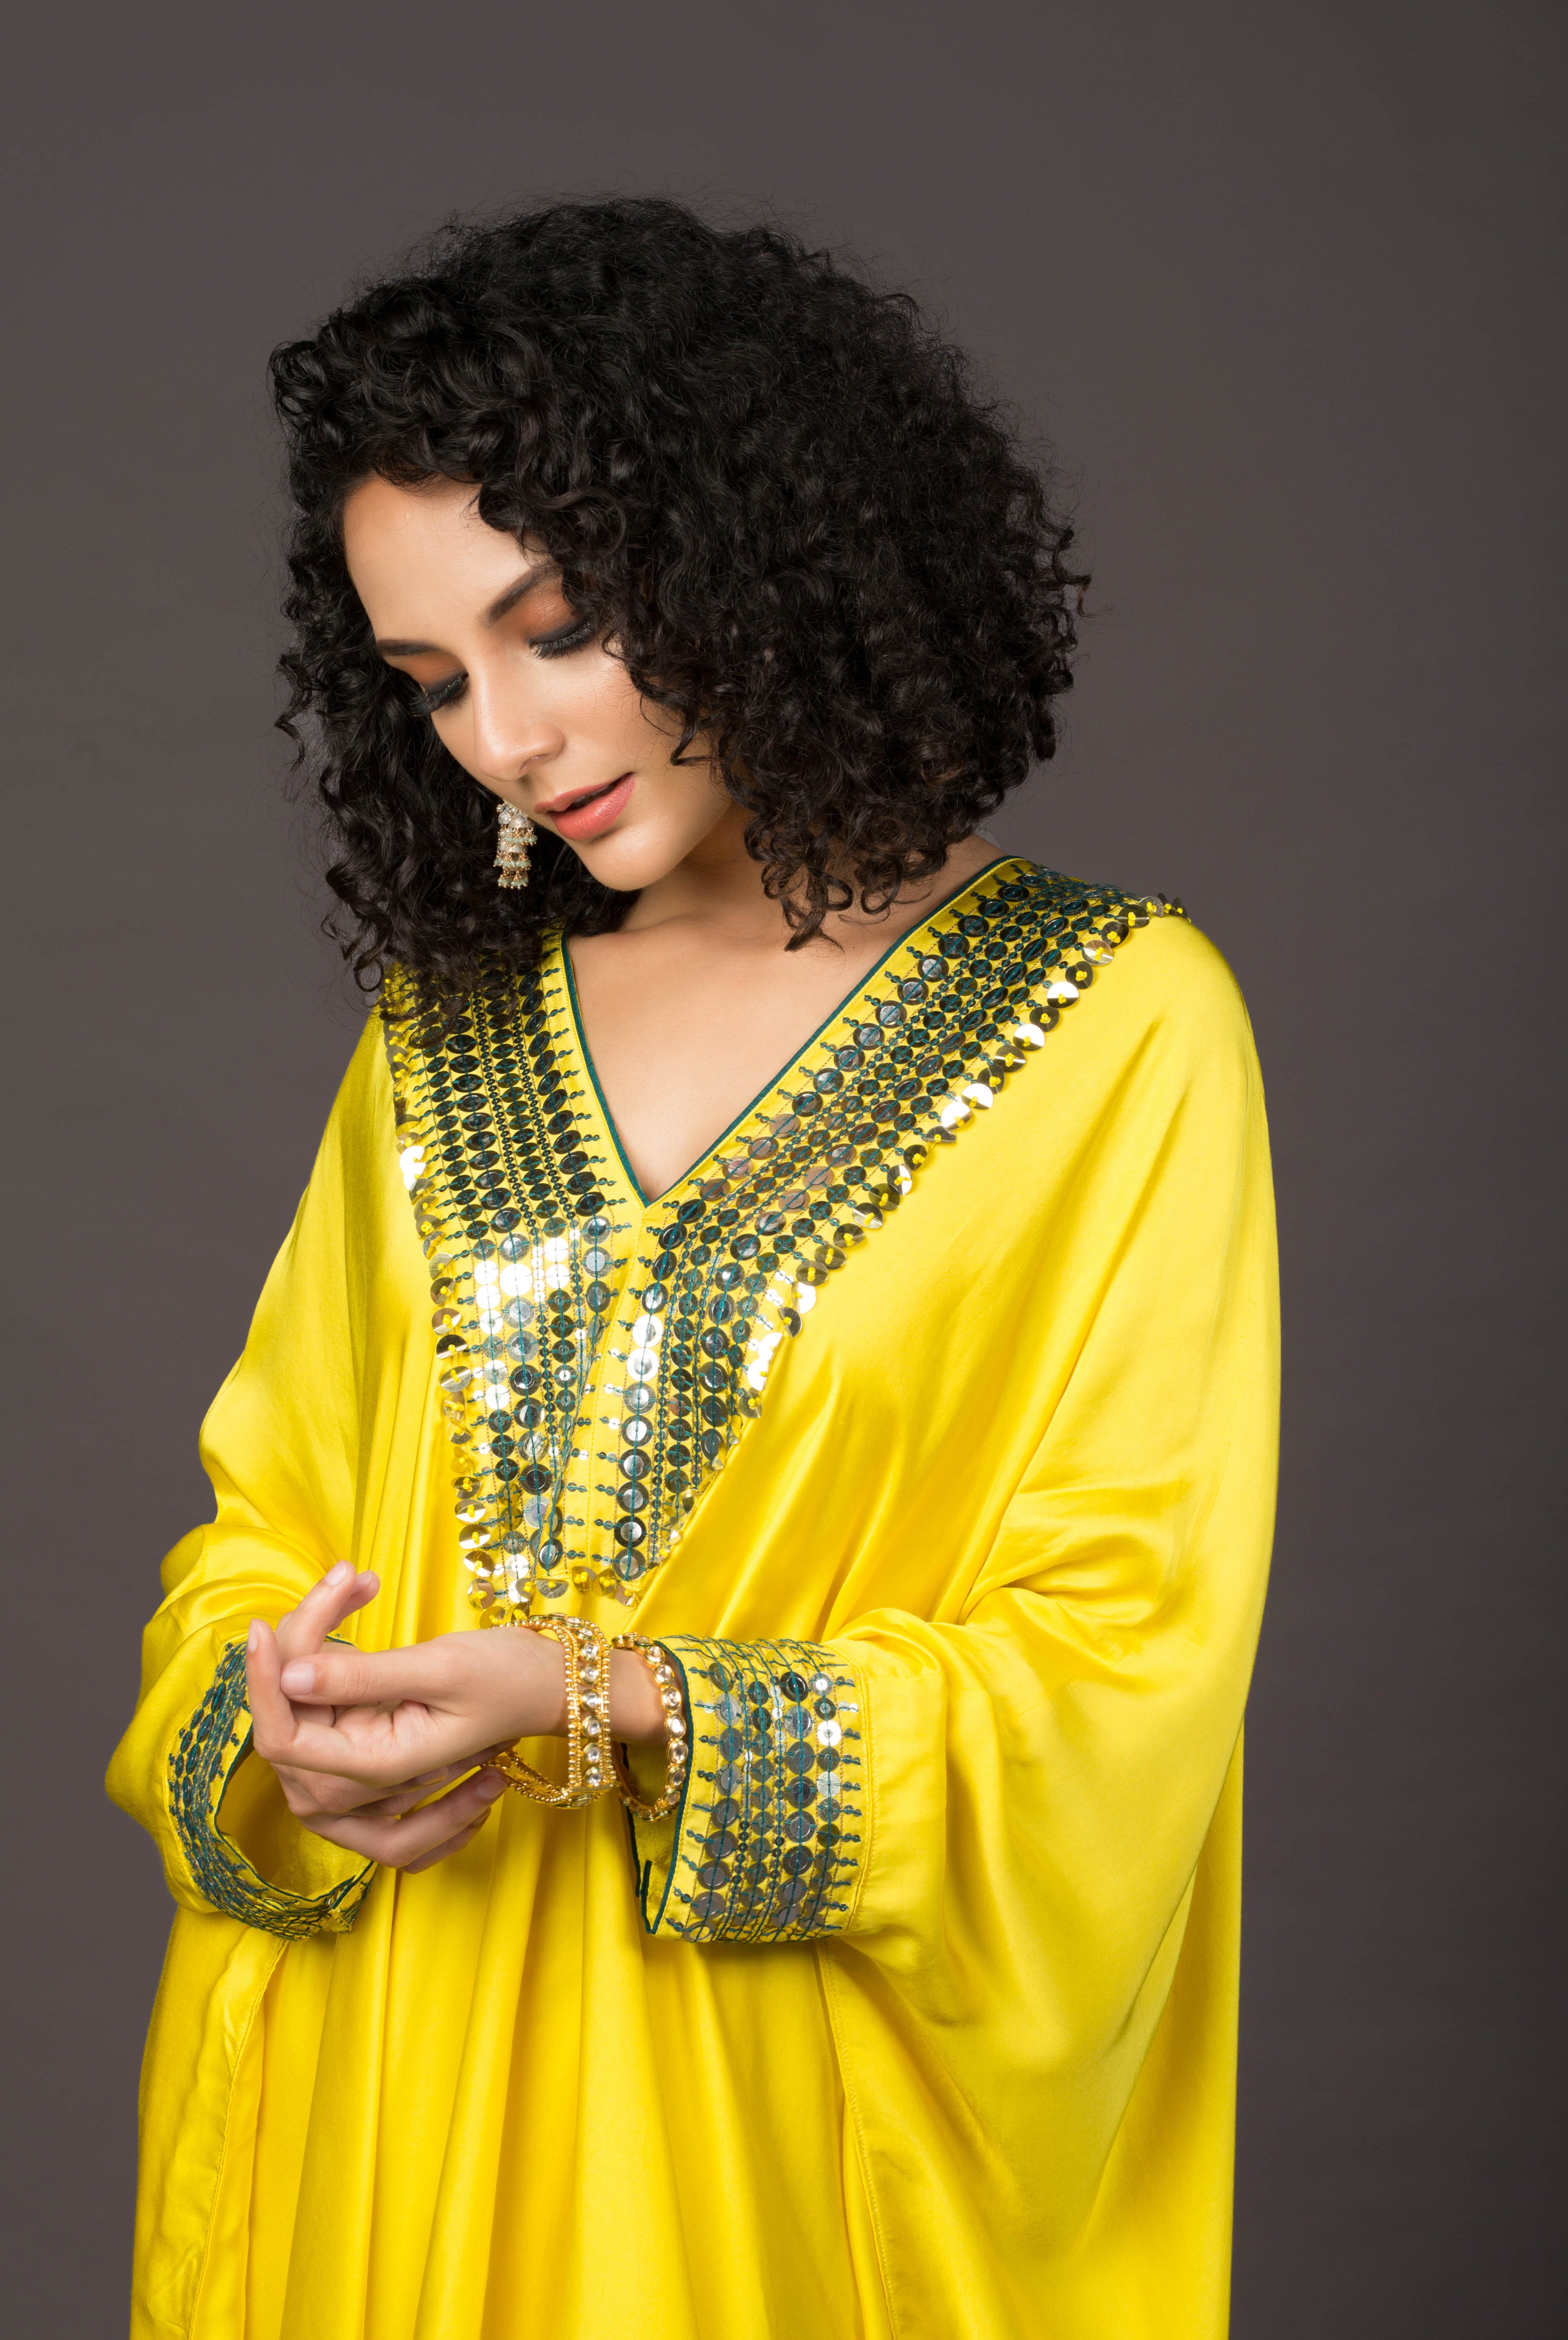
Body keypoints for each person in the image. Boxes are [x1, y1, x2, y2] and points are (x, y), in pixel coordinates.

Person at [107, 197, 1278, 2340]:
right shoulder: (447, 1037)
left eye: (556, 628)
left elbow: (1123, 1681)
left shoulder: (1120, 1026)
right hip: (399, 2088)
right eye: (433, 683)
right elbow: (263, 1524)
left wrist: (615, 1701)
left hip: (770, 2161)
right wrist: (284, 1715)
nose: (505, 738)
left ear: (748, 552)